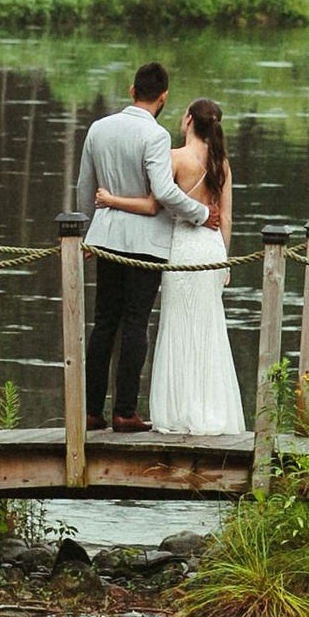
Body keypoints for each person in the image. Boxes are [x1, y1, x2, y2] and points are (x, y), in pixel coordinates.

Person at [93, 96, 245, 436]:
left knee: (176, 326)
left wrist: (109, 200)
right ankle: (211, 411)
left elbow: (153, 204)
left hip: (181, 251)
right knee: (208, 330)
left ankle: (177, 412)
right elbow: (227, 217)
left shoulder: (175, 157)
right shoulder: (223, 164)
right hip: (210, 253)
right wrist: (224, 260)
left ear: (189, 120)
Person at [75, 61, 214, 432]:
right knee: (135, 322)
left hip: (105, 239)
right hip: (145, 243)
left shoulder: (98, 128)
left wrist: (88, 231)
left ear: (131, 89)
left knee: (103, 322)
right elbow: (165, 192)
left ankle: (90, 411)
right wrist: (201, 213)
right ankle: (124, 411)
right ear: (164, 97)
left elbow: (84, 187)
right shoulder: (155, 137)